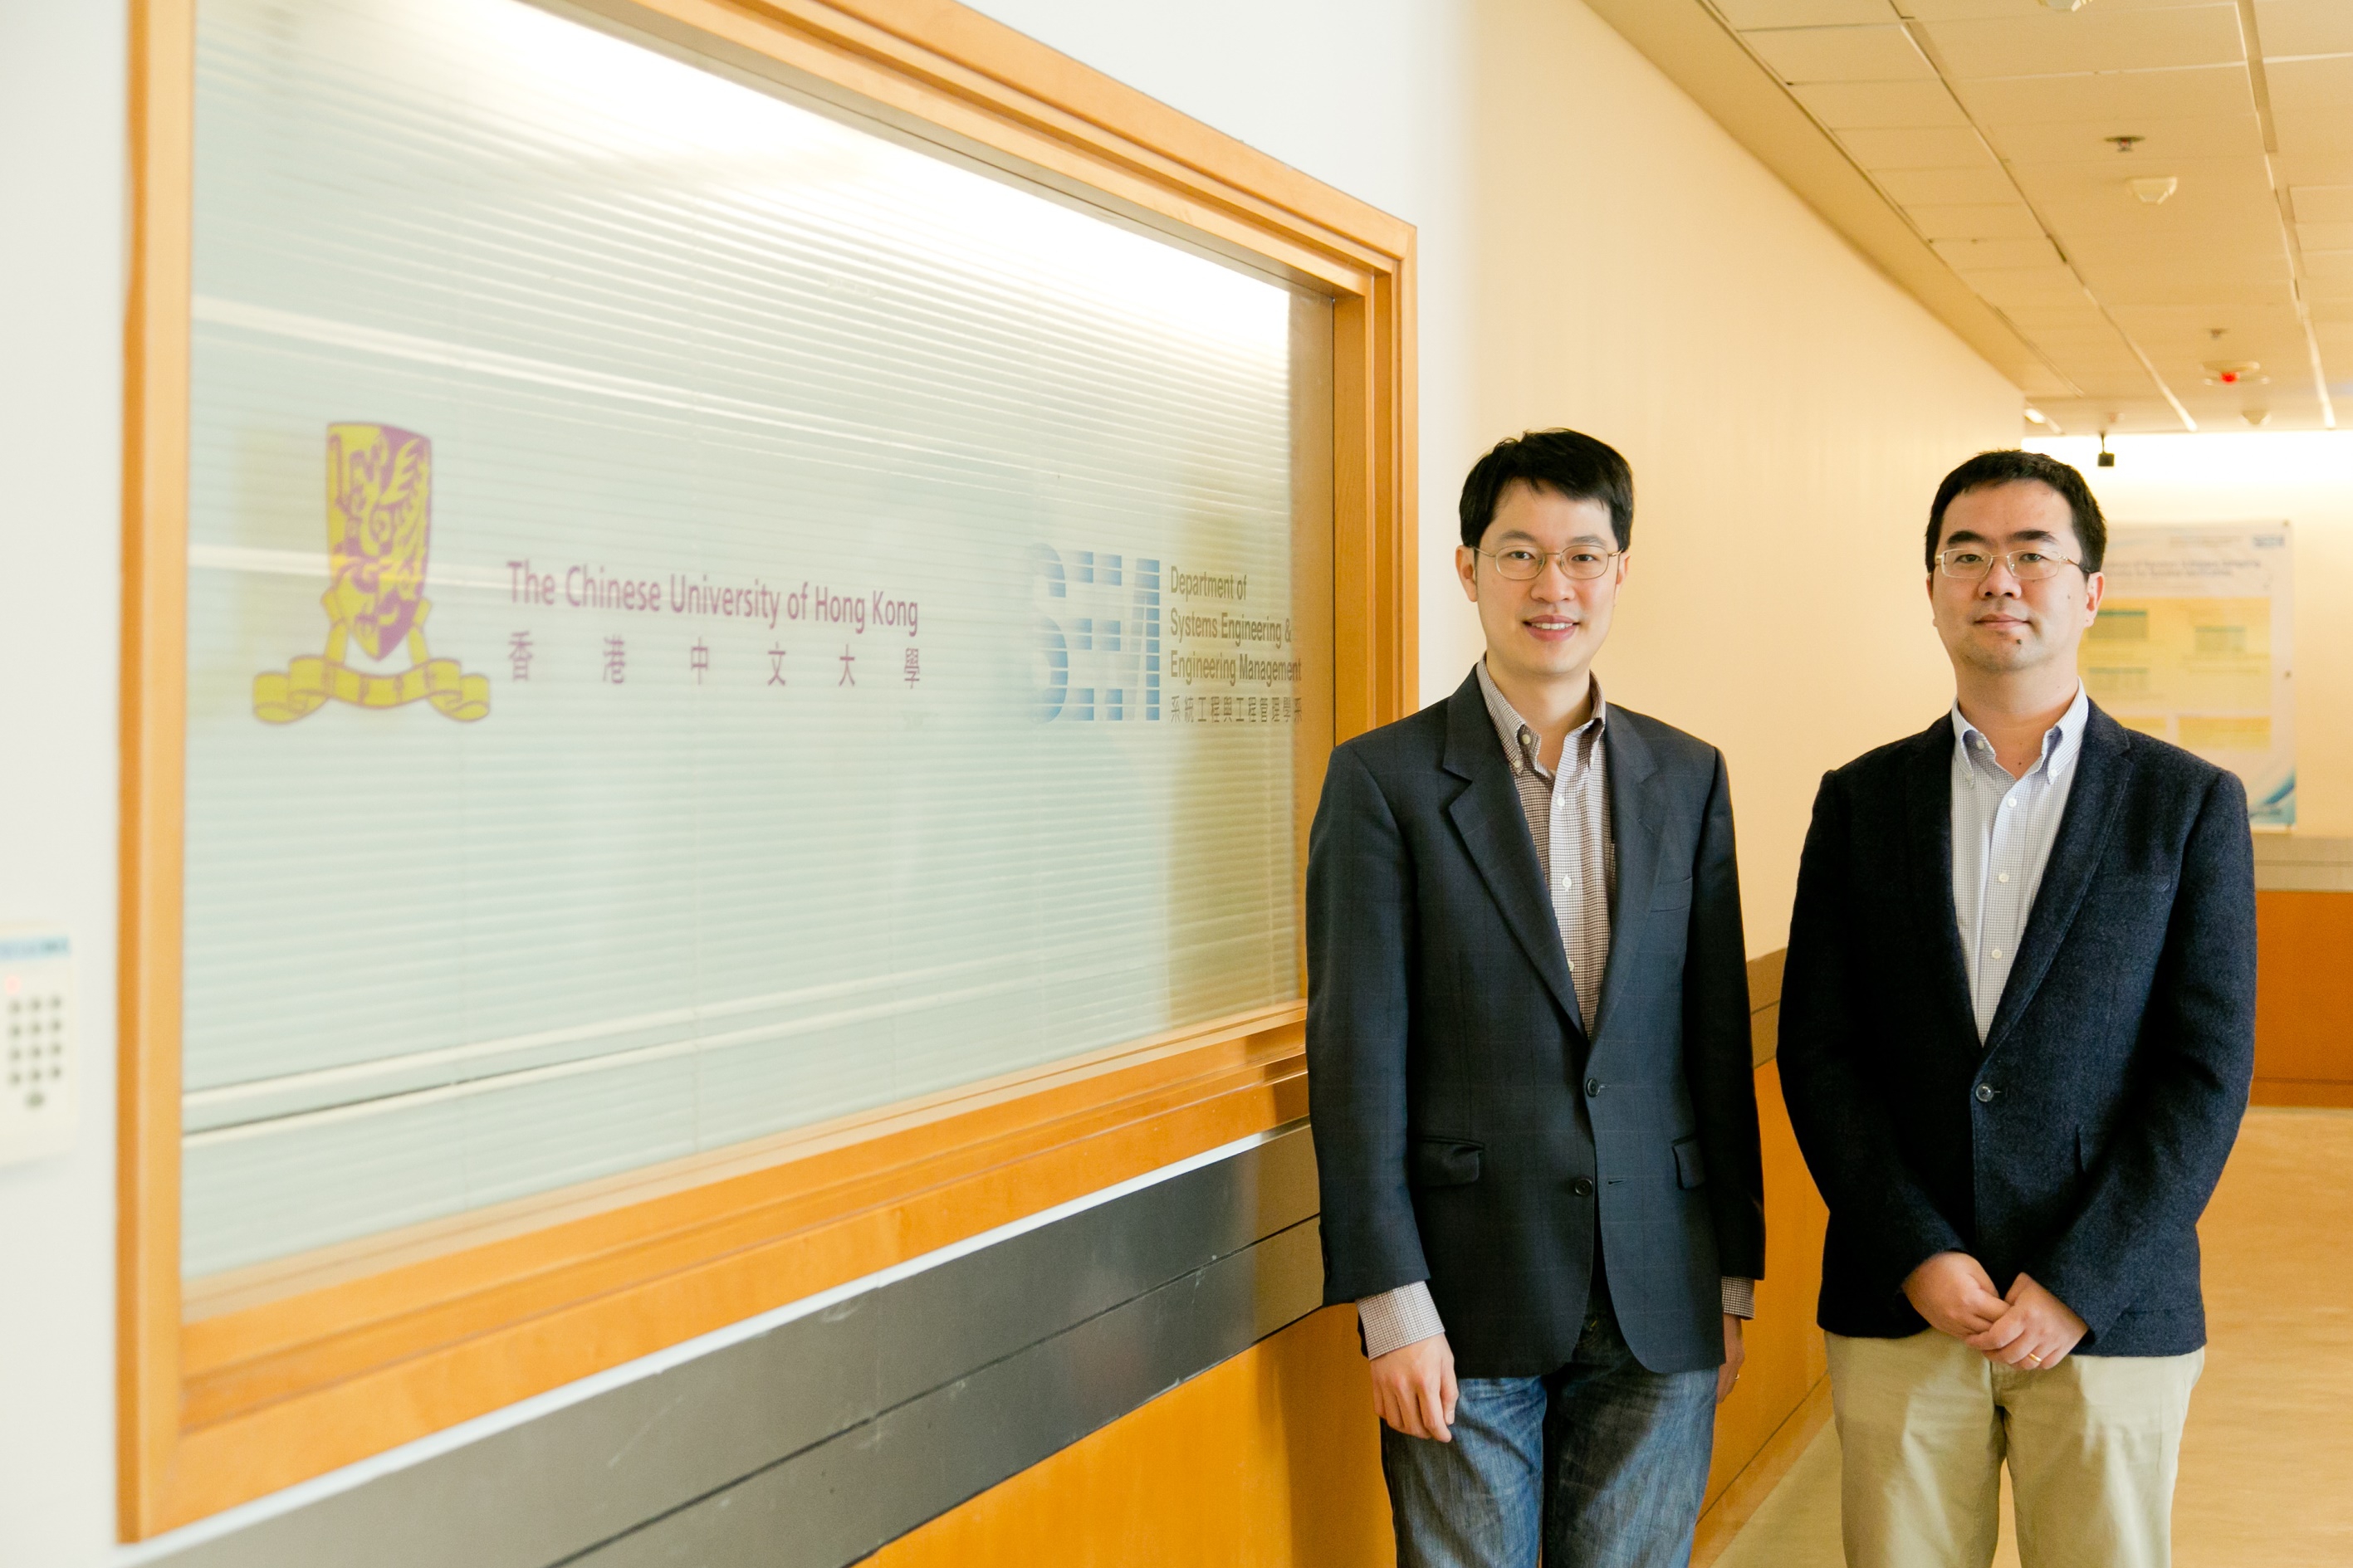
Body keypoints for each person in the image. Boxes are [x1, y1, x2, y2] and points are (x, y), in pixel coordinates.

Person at [1778, 449, 2256, 1568]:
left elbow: (2204, 1072)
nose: (1999, 578)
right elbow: (1820, 1052)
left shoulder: (2183, 806)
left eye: (2032, 553)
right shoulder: (1860, 801)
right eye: (1967, 554)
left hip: (2110, 1313)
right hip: (1905, 1307)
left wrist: (2077, 1281)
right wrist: (1914, 1249)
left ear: (2089, 590)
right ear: (1932, 585)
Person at [1305, 428, 1765, 1568]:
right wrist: (1388, 1301)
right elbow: (1355, 1058)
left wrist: (1732, 1272)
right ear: (1466, 569)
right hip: (1462, 1293)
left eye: (1581, 555)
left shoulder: (1687, 774)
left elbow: (1712, 1040)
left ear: (1619, 572)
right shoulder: (1384, 781)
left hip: (1657, 1285)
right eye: (1517, 554)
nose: (1550, 586)